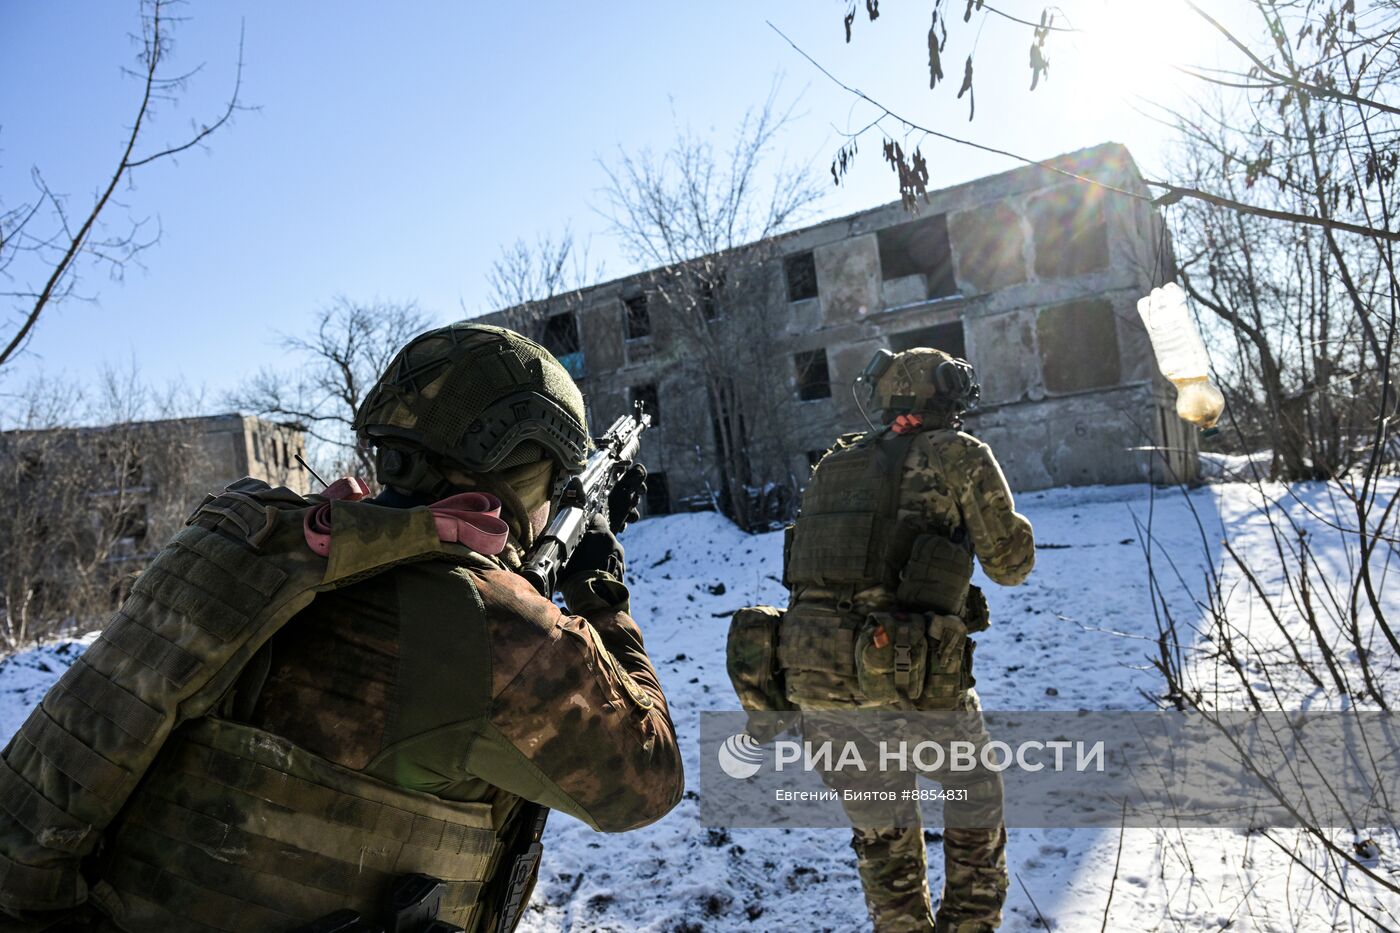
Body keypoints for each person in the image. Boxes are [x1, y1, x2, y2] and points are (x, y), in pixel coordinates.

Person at [0, 323, 683, 932]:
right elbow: (650, 781)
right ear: (526, 468)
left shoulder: (264, 550)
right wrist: (601, 595)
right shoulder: (500, 630)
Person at [777, 347, 1035, 933]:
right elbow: (1010, 564)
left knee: (882, 838)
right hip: (905, 680)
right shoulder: (960, 454)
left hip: (818, 682)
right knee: (974, 790)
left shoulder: (836, 463)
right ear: (943, 394)